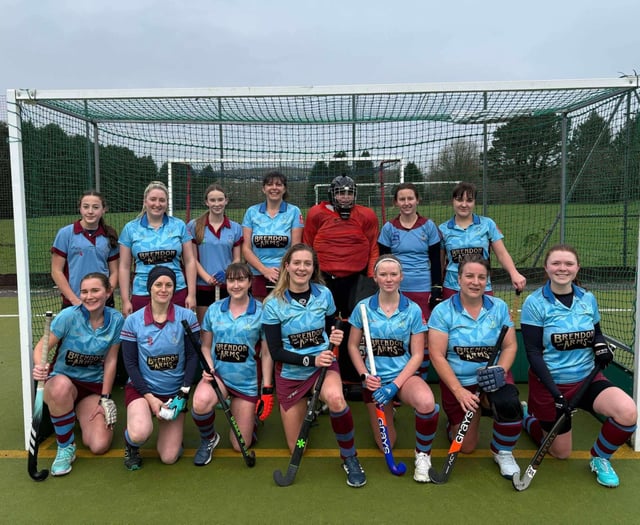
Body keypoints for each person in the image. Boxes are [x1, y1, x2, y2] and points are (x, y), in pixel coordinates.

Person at [520, 244, 637, 488]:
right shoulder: (535, 303)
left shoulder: (587, 298)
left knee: (628, 411)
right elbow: (533, 353)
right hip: (550, 384)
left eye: (568, 263)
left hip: (587, 379)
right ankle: (528, 419)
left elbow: (596, 333)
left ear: (577, 268)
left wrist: (601, 347)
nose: (562, 268)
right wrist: (556, 394)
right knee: (561, 452)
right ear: (546, 268)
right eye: (556, 263)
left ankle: (600, 458)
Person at [262, 243, 366, 488]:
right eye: (297, 263)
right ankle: (312, 403)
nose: (302, 268)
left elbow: (332, 325)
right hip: (292, 373)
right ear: (287, 266)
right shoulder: (273, 303)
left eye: (307, 264)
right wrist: (310, 360)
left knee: (337, 399)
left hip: (323, 367)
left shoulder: (324, 294)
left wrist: (336, 334)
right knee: (298, 446)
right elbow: (276, 352)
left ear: (313, 268)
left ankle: (350, 457)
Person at [347, 255, 440, 483]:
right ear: (375, 278)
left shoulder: (413, 310)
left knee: (427, 402)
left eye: (393, 274)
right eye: (383, 274)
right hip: (375, 381)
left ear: (401, 277)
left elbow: (417, 354)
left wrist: (395, 386)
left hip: (403, 377)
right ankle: (389, 410)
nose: (389, 279)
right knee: (387, 443)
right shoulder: (362, 308)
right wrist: (364, 376)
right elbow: (352, 346)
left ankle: (423, 456)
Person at [428, 255, 522, 479]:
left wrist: (499, 371)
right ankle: (455, 421)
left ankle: (502, 451)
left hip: (491, 379)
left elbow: (510, 346)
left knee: (508, 404)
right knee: (467, 446)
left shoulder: (499, 307)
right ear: (459, 279)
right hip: (459, 383)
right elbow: (437, 355)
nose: (475, 282)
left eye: (481, 277)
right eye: (469, 276)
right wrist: (459, 391)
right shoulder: (442, 311)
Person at [31, 272, 124, 476]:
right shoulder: (69, 316)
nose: (89, 296)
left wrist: (105, 397)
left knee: (99, 445)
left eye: (95, 290)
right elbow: (40, 348)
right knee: (61, 388)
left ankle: (70, 416)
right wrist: (40, 365)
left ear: (108, 292)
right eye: (84, 291)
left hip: (91, 387)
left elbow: (111, 360)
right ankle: (66, 446)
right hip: (61, 381)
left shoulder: (117, 320)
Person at [190, 262, 273, 466]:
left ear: (250, 282)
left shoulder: (262, 312)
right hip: (220, 377)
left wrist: (267, 389)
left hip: (247, 382)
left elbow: (266, 353)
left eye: (241, 280)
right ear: (226, 283)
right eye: (231, 280)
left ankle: (251, 419)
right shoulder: (214, 310)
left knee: (240, 444)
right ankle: (209, 439)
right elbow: (205, 346)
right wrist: (208, 367)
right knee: (200, 402)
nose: (236, 285)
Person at [120, 266, 200, 470]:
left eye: (168, 285)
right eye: (158, 285)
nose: (163, 289)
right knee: (140, 433)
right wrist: (150, 397)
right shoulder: (133, 321)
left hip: (175, 393)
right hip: (142, 390)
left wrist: (183, 393)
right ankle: (131, 444)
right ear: (150, 288)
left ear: (174, 288)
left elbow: (193, 357)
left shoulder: (187, 317)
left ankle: (174, 436)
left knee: (169, 456)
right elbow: (130, 364)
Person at [303, 174, 380, 382]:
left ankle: (349, 374)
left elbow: (373, 246)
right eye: (340, 193)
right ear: (332, 194)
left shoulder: (366, 215)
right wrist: (309, 276)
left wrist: (371, 277)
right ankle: (320, 373)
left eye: (349, 193)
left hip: (355, 279)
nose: (345, 197)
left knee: (352, 326)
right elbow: (307, 244)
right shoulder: (316, 214)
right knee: (321, 324)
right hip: (323, 279)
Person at [378, 182, 442, 376]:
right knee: (400, 335)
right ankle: (400, 378)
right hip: (398, 291)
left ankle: (420, 378)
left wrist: (436, 287)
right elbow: (384, 261)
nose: (407, 203)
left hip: (423, 289)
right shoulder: (389, 228)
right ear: (396, 202)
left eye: (410, 198)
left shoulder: (428, 226)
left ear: (417, 200)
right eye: (402, 199)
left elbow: (436, 260)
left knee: (423, 338)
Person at [119, 180, 197, 316]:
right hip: (143, 292)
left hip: (176, 291)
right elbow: (124, 267)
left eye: (162, 200)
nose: (157, 204)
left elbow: (190, 261)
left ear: (167, 203)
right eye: (153, 199)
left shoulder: (179, 226)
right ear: (145, 201)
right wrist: (125, 300)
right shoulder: (130, 228)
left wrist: (191, 294)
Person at [439, 181, 526, 299]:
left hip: (481, 286)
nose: (464, 204)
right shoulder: (443, 229)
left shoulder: (487, 224)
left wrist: (514, 273)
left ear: (474, 202)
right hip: (452, 288)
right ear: (452, 201)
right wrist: (436, 286)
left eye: (469, 200)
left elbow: (502, 254)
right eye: (459, 200)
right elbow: (440, 263)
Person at [51, 190, 119, 308]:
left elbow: (114, 272)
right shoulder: (65, 233)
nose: (90, 211)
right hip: (73, 304)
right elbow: (56, 271)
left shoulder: (109, 235)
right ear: (80, 209)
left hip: (103, 304)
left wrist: (106, 294)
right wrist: (74, 300)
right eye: (86, 207)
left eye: (96, 207)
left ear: (104, 209)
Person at [242, 171, 304, 301]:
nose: (274, 188)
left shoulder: (294, 211)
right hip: (257, 273)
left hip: (285, 273)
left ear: (284, 189)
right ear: (263, 189)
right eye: (269, 184)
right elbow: (246, 249)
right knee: (260, 310)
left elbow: (296, 248)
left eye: (278, 184)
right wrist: (264, 270)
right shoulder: (252, 212)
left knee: (285, 309)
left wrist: (282, 270)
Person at [187, 184, 243, 323]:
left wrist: (227, 274)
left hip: (228, 285)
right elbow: (192, 258)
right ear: (206, 202)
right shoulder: (194, 226)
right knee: (205, 329)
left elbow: (237, 259)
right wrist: (207, 278)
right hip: (203, 286)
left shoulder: (235, 228)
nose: (217, 204)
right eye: (212, 200)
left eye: (220, 199)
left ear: (226, 201)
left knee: (226, 326)